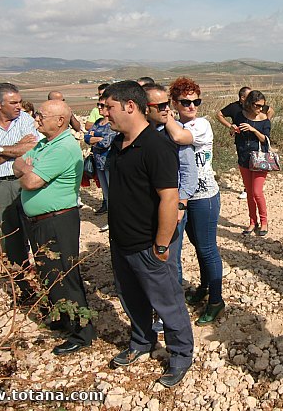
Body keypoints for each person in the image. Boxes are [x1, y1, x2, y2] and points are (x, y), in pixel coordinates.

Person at [103, 80, 193, 388]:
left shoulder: (156, 146)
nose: (104, 113)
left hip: (148, 244)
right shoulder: (118, 144)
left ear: (130, 106)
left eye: (108, 107)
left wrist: (161, 244)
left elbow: (170, 197)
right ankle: (141, 341)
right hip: (121, 241)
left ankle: (181, 354)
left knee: (167, 301)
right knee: (131, 298)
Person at [13, 100, 96, 356]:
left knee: (64, 274)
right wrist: (24, 167)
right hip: (40, 221)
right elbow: (18, 163)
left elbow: (30, 181)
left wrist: (26, 169)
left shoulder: (64, 147)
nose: (36, 119)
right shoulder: (45, 143)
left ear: (60, 120)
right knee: (48, 272)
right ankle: (62, 317)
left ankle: (82, 332)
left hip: (57, 220)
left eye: (41, 116)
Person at [164, 77, 226, 326]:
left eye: (196, 101)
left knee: (208, 248)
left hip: (204, 195)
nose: (191, 106)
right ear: (176, 102)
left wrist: (167, 117)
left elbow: (180, 138)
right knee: (198, 246)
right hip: (185, 196)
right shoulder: (177, 123)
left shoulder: (201, 125)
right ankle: (204, 287)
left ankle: (216, 300)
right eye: (185, 101)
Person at [0, 82, 41, 300]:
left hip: (25, 181)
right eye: (13, 103)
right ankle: (25, 287)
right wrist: (14, 148)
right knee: (9, 238)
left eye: (20, 101)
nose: (19, 106)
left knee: (37, 233)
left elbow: (32, 148)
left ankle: (45, 284)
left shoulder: (26, 120)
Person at [144, 84, 198, 284]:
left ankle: (171, 305)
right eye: (160, 106)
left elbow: (188, 171)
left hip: (172, 207)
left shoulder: (174, 133)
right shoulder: (135, 135)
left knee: (169, 259)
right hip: (148, 207)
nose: (166, 109)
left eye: (167, 104)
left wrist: (181, 204)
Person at [216, 86, 274, 200]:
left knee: (257, 190)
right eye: (249, 96)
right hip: (242, 144)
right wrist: (230, 127)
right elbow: (219, 115)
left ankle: (250, 190)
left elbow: (270, 111)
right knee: (245, 167)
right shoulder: (235, 108)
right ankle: (247, 189)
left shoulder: (257, 107)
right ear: (243, 98)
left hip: (256, 147)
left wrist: (263, 123)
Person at [232, 90, 271, 236]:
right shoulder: (240, 116)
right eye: (257, 105)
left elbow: (265, 139)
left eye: (262, 106)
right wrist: (233, 129)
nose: (260, 109)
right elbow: (234, 131)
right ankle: (252, 222)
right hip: (244, 158)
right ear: (250, 103)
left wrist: (253, 129)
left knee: (257, 192)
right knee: (249, 193)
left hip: (259, 159)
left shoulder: (265, 120)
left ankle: (264, 221)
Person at [83, 96, 117, 218]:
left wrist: (93, 139)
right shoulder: (98, 123)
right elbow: (86, 137)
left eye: (102, 105)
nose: (99, 107)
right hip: (98, 162)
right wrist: (97, 139)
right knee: (105, 191)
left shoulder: (112, 124)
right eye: (98, 104)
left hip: (108, 162)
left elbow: (106, 142)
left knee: (113, 191)